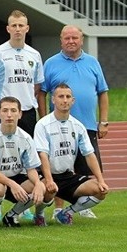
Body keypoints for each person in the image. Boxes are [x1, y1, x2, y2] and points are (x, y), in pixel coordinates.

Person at [39, 24, 109, 219]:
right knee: (59, 166)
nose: (71, 41)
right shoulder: (51, 63)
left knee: (85, 168)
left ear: (81, 40)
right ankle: (58, 209)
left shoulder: (93, 62)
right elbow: (42, 93)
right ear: (61, 40)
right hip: (58, 126)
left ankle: (81, 206)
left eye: (74, 38)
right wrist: (44, 117)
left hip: (86, 125)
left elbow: (103, 92)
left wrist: (103, 121)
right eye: (67, 38)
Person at [0, 9, 44, 222]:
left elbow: (36, 86)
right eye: (14, 26)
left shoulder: (34, 55)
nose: (18, 29)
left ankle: (23, 203)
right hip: (4, 114)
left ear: (27, 29)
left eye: (21, 26)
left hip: (26, 113)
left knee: (25, 158)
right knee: (0, 157)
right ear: (8, 28)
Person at [34, 83, 109, 225]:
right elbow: (42, 154)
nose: (65, 100)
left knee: (100, 191)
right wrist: (49, 180)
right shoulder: (43, 125)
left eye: (68, 97)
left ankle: (66, 213)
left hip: (68, 176)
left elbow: (89, 154)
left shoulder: (78, 126)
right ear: (53, 100)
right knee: (49, 190)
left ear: (73, 101)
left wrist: (100, 180)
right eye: (61, 96)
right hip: (47, 176)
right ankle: (39, 215)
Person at [0, 96, 55, 228]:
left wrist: (37, 184)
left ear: (20, 114)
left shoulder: (26, 138)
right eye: (5, 110)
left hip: (17, 178)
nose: (9, 115)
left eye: (13, 111)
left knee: (42, 186)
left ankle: (12, 215)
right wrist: (12, 184)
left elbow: (31, 168)